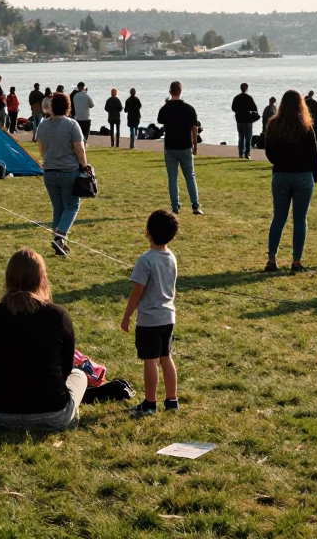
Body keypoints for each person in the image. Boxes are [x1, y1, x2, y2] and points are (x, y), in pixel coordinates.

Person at [0, 248, 88, 430]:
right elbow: (66, 368)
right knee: (80, 375)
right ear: (41, 277)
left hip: (2, 414)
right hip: (55, 413)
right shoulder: (58, 315)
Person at [120, 209, 180, 415]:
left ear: (148, 232)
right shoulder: (171, 257)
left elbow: (137, 292)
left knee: (150, 361)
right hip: (168, 316)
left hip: (149, 320)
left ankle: (149, 403)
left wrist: (127, 315)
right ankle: (172, 399)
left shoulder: (144, 260)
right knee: (166, 357)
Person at [264, 89, 317, 273]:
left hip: (280, 174)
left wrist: (281, 162)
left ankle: (271, 260)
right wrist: (314, 177)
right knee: (300, 219)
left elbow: (269, 153)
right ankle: (296, 261)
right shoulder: (306, 126)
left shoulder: (273, 125)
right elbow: (314, 155)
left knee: (278, 217)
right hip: (303, 175)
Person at [36, 92, 89, 258]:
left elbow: (42, 149)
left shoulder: (43, 125)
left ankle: (59, 241)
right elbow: (79, 149)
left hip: (50, 172)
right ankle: (60, 237)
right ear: (68, 107)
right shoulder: (72, 125)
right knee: (72, 206)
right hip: (68, 171)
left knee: (58, 207)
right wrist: (84, 165)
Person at [157, 82, 203, 216]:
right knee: (190, 176)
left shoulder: (165, 109)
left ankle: (175, 207)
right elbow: (194, 127)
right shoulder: (189, 109)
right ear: (180, 91)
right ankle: (195, 205)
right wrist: (195, 144)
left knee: (172, 178)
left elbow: (160, 121)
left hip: (170, 146)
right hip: (185, 146)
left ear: (170, 92)